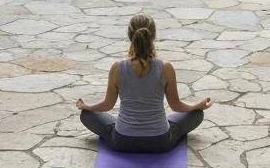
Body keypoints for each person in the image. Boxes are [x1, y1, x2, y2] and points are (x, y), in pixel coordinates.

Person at [76, 14, 211, 153]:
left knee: (87, 114)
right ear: (153, 37)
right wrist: (197, 106)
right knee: (197, 114)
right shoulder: (166, 67)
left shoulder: (117, 67)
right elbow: (176, 105)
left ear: (130, 36)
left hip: (123, 140)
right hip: (160, 141)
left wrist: (87, 106)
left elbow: (107, 105)